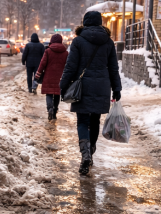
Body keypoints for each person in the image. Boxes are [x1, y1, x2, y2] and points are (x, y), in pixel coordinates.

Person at [59, 10, 122, 176]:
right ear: (100, 23)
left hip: (83, 86)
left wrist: (63, 85)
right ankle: (91, 152)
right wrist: (117, 88)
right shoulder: (108, 42)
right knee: (95, 120)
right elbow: (114, 68)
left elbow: (71, 67)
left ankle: (85, 154)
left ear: (84, 22)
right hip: (102, 86)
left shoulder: (78, 41)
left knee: (82, 121)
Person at [35, 34, 68, 121]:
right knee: (57, 94)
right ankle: (55, 111)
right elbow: (68, 66)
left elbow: (42, 64)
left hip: (48, 77)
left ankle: (49, 108)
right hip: (60, 78)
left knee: (49, 94)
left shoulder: (48, 51)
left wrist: (37, 75)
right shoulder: (65, 53)